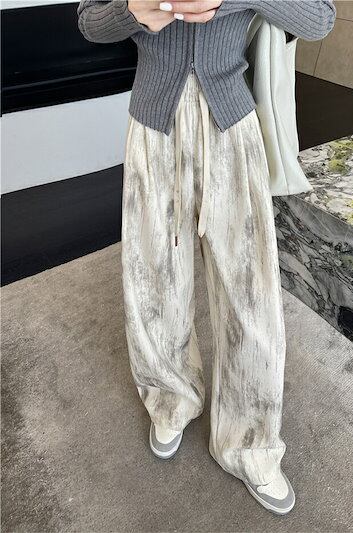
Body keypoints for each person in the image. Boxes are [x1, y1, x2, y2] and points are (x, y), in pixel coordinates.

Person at [77, 0, 336, 515]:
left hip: (232, 126)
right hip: (153, 126)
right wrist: (133, 10)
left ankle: (250, 443)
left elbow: (320, 18)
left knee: (251, 293)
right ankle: (170, 399)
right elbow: (88, 21)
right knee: (154, 283)